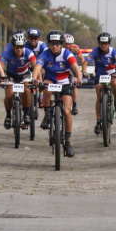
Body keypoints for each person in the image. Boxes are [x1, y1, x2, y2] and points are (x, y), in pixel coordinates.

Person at [33, 29, 83, 157]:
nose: (54, 46)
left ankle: (68, 142)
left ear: (62, 44)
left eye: (57, 44)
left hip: (65, 82)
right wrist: (34, 79)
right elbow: (37, 67)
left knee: (66, 112)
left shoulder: (68, 54)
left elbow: (76, 69)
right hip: (51, 79)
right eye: (52, 44)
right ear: (49, 44)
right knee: (46, 88)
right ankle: (48, 114)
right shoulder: (45, 54)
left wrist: (79, 79)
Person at [84, 32, 116, 135]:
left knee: (115, 83)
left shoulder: (113, 52)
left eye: (106, 43)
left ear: (109, 44)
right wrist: (84, 71)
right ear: (98, 43)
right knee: (99, 94)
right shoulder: (95, 51)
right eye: (101, 43)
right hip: (100, 75)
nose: (103, 46)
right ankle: (98, 121)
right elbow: (86, 62)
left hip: (111, 73)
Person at [0, 33, 37, 129]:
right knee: (9, 94)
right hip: (11, 75)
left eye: (21, 46)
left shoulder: (29, 53)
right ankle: (8, 115)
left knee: (26, 90)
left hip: (25, 74)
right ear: (12, 46)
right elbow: (1, 66)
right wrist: (0, 78)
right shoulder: (7, 52)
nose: (19, 49)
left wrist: (38, 80)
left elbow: (36, 68)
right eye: (17, 46)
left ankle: (27, 114)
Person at [65, 34, 85, 115]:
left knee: (74, 84)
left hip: (73, 67)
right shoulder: (59, 48)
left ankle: (75, 105)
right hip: (62, 67)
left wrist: (84, 70)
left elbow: (82, 58)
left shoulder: (75, 48)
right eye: (66, 43)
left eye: (69, 44)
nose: (68, 46)